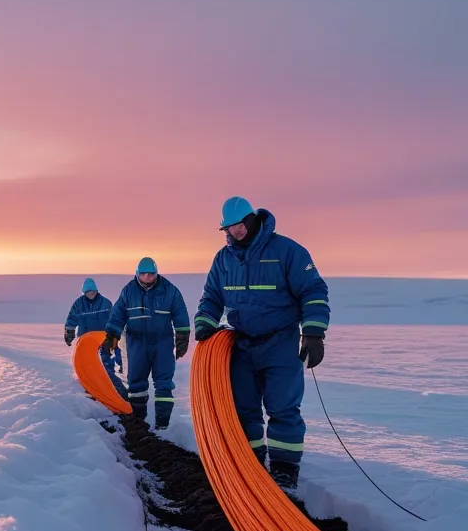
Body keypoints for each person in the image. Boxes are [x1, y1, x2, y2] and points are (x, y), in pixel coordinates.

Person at [193, 196, 330, 491]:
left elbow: (313, 291)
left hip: (280, 342)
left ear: (252, 220)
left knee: (282, 407)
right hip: (242, 345)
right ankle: (251, 463)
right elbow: (212, 297)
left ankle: (284, 469)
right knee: (244, 409)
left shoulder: (286, 251)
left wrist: (314, 332)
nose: (235, 232)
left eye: (240, 226)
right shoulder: (224, 259)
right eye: (229, 228)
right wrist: (204, 322)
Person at [102, 258, 191, 430]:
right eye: (143, 274)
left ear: (156, 274)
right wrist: (112, 335)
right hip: (137, 343)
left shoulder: (170, 290)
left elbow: (180, 312)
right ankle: (138, 422)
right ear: (137, 274)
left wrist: (182, 336)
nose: (147, 277)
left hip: (162, 342)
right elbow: (118, 314)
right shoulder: (128, 291)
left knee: (164, 382)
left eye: (151, 274)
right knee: (136, 383)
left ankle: (162, 424)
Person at [65, 278, 125, 396]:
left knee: (107, 363)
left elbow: (113, 319)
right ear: (84, 292)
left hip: (104, 339)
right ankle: (91, 387)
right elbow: (72, 318)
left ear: (96, 291)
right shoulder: (79, 304)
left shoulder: (106, 303)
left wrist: (113, 335)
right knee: (89, 365)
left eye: (93, 291)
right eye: (88, 292)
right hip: (86, 341)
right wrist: (69, 332)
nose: (91, 294)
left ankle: (114, 389)